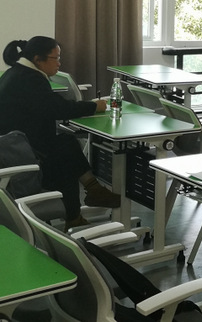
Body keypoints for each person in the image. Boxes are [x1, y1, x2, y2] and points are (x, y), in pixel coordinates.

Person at [0, 37, 120, 229]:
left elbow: (50, 105)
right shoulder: (30, 79)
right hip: (22, 161)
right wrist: (93, 106)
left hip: (14, 151)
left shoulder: (16, 73)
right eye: (55, 58)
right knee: (66, 154)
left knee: (65, 145)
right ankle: (84, 203)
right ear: (38, 59)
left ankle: (88, 197)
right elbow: (58, 109)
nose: (59, 63)